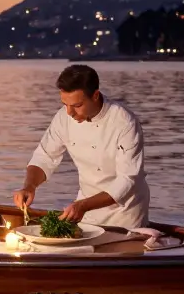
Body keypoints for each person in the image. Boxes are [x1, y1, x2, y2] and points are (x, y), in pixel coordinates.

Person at [13, 64, 149, 229]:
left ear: (95, 95)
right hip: (84, 211)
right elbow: (45, 156)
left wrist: (83, 205)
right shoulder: (63, 117)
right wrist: (29, 186)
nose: (69, 112)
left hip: (124, 215)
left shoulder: (124, 123)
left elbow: (127, 180)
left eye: (77, 106)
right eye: (65, 104)